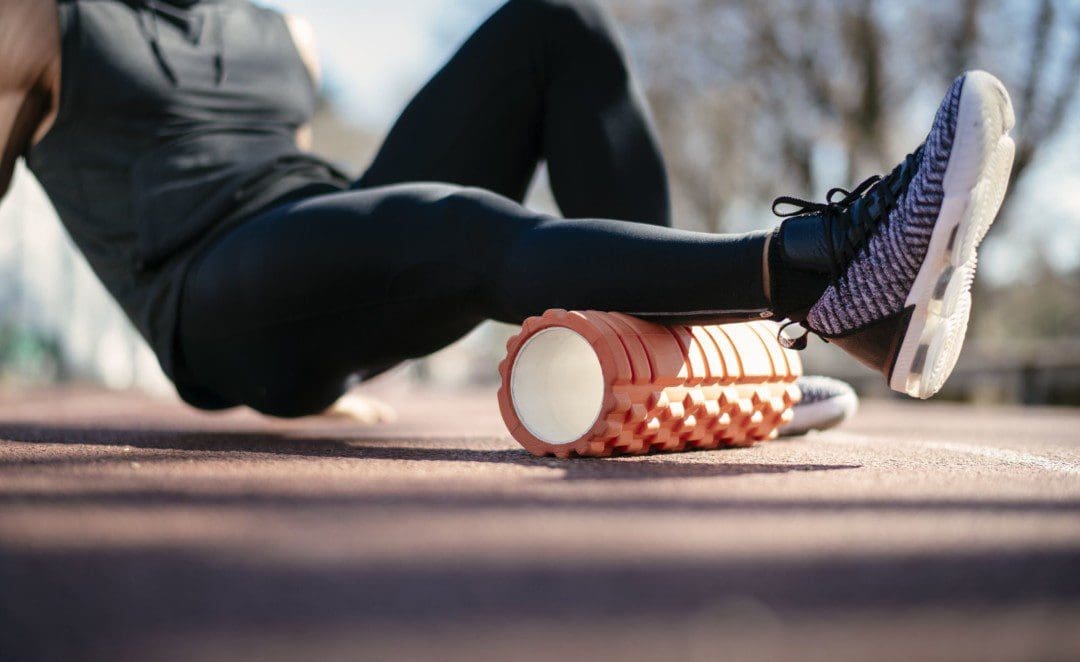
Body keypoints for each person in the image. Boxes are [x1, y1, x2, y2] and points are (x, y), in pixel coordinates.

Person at [0, 0, 1014, 419]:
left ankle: (670, 373)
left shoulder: (276, 30)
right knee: (451, 223)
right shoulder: (35, 24)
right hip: (210, 295)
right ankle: (825, 271)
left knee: (551, 23)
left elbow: (308, 196)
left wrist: (345, 328)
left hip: (316, 247)